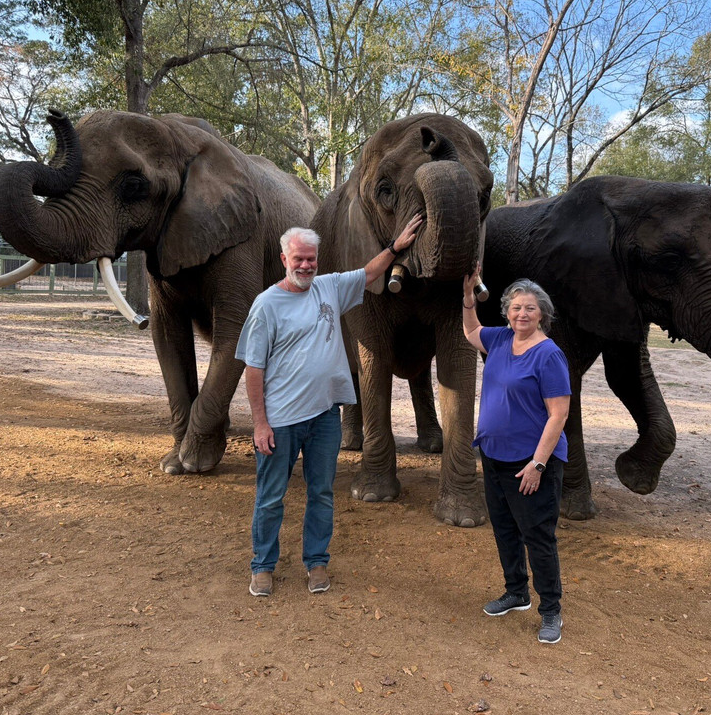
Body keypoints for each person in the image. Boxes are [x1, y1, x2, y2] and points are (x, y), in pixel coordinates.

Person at [238, 214, 423, 597]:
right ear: (283, 258)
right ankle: (263, 566)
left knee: (321, 493)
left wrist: (395, 247)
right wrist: (259, 423)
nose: (305, 265)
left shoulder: (328, 288)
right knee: (271, 496)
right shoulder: (266, 305)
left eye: (311, 259)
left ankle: (317, 562)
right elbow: (253, 369)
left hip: (325, 417)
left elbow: (369, 274)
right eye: (298, 259)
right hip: (281, 421)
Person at [462, 273, 571, 643]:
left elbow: (558, 414)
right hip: (494, 456)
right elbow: (471, 331)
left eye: (529, 308)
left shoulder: (549, 354)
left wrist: (538, 464)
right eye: (515, 307)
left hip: (531, 463)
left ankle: (551, 611)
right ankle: (516, 592)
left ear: (541, 314)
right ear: (507, 312)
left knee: (537, 536)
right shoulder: (500, 339)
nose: (521, 314)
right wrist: (468, 297)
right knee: (505, 529)